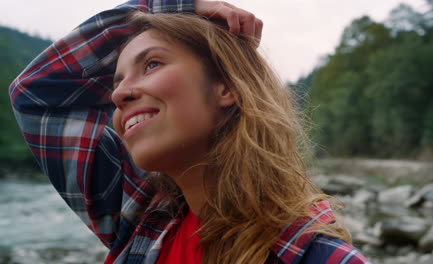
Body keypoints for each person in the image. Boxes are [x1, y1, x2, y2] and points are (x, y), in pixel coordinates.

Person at [9, 0, 371, 263]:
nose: (119, 94)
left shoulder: (318, 257)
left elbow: (37, 91)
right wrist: (172, 6)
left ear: (227, 87)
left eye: (151, 64)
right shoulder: (138, 215)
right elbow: (35, 93)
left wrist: (170, 10)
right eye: (117, 82)